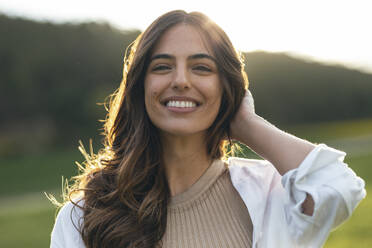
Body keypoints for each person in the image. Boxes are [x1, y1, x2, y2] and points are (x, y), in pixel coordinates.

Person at [50, 10, 366, 248]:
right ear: (139, 87)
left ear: (227, 88)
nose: (181, 80)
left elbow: (339, 187)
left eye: (201, 67)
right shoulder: (84, 215)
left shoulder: (271, 195)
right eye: (162, 66)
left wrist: (247, 125)